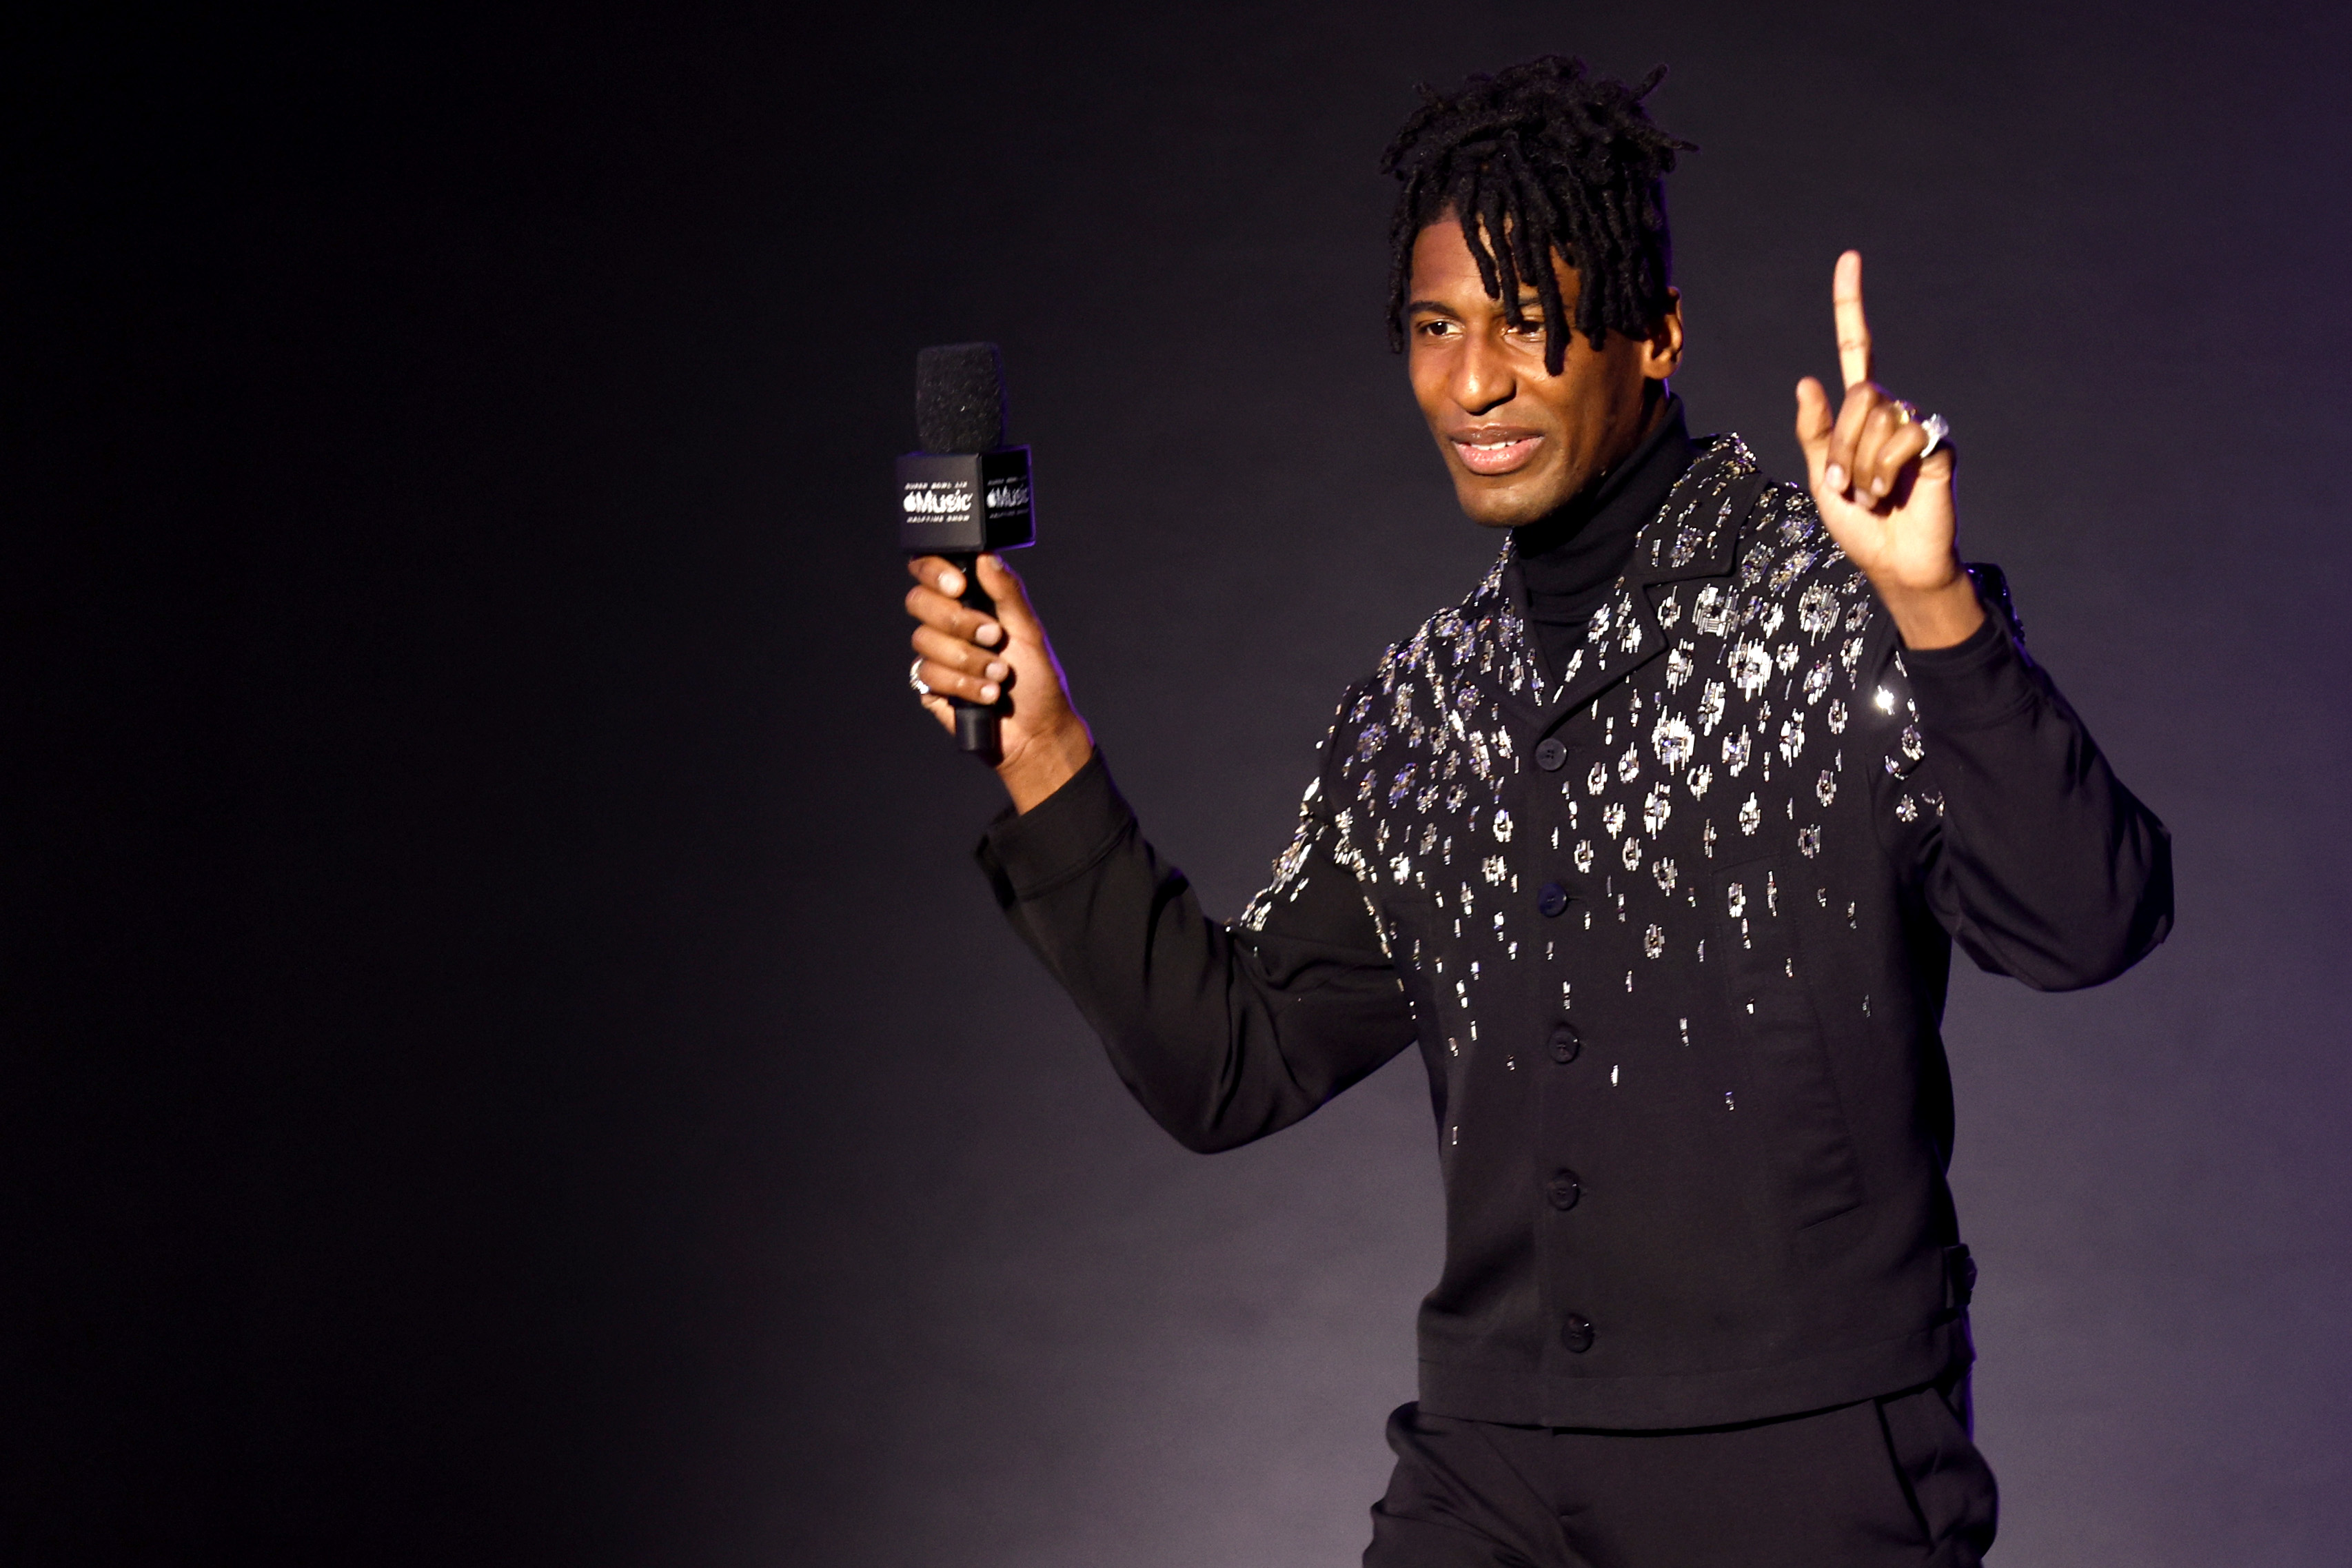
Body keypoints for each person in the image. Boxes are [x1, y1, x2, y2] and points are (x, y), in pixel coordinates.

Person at [902, 56, 2169, 1568]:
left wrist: (1931, 605)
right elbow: (1227, 1065)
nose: (1475, 379)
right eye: (1437, 327)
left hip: (1806, 1464)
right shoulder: (1421, 707)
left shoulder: (1840, 608)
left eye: (1527, 320)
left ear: (1657, 331)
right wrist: (1041, 755)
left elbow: (2087, 920)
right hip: (1492, 1472)